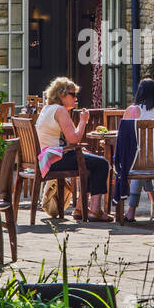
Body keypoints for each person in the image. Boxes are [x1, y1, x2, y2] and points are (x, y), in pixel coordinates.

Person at [35, 76, 114, 221]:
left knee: (90, 161)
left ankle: (80, 208)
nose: (75, 98)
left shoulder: (47, 109)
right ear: (61, 95)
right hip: (56, 159)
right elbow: (74, 139)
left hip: (47, 159)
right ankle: (95, 211)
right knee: (101, 163)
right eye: (72, 95)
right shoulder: (60, 110)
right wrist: (84, 121)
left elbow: (65, 141)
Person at [120, 79, 154, 223]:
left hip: (135, 163)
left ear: (139, 92)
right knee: (144, 166)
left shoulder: (130, 111)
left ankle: (131, 212)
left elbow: (123, 134)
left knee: (139, 165)